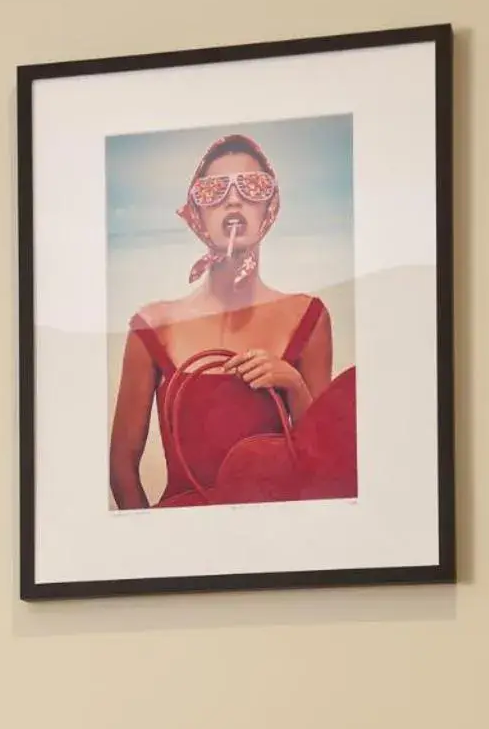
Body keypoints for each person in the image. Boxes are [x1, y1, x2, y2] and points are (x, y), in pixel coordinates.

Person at [108, 132, 353, 510]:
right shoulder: (151, 326)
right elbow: (123, 468)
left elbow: (325, 462)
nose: (234, 199)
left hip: (275, 543)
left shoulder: (309, 316)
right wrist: (150, 549)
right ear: (196, 212)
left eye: (252, 187)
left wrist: (293, 383)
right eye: (214, 191)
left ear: (269, 209)